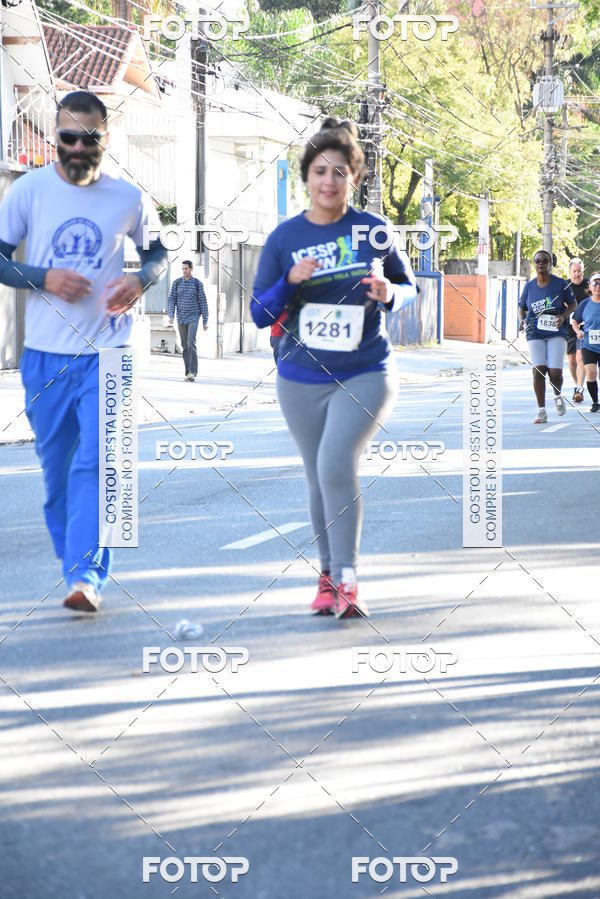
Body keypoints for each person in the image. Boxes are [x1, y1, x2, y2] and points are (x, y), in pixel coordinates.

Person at [0, 90, 167, 611]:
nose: (76, 147)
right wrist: (42, 276)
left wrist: (141, 280)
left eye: (87, 138)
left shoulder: (130, 198)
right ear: (56, 138)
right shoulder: (27, 192)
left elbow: (159, 252)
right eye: (67, 138)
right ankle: (75, 563)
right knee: (57, 478)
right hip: (44, 357)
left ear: (105, 138)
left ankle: (85, 577)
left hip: (110, 355)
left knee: (100, 466)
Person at [251, 117, 417, 619]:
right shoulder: (285, 238)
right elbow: (259, 312)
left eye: (340, 172)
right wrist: (289, 282)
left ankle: (347, 577)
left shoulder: (374, 230)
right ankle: (327, 576)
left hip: (365, 370)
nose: (329, 181)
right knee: (316, 475)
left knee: (333, 464)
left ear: (355, 178)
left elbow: (409, 289)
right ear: (306, 177)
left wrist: (391, 293)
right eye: (320, 171)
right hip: (300, 376)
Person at [518, 249, 576, 424]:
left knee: (555, 373)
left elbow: (573, 303)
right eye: (537, 261)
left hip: (556, 331)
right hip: (534, 331)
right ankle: (541, 410)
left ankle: (557, 395)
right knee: (538, 371)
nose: (541, 263)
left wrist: (563, 316)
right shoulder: (529, 286)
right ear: (534, 264)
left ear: (550, 264)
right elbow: (522, 307)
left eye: (544, 260)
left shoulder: (560, 284)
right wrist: (521, 320)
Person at [168, 259, 209, 381]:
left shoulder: (197, 284)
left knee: (191, 342)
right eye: (183, 269)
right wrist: (171, 315)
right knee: (184, 346)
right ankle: (188, 372)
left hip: (193, 317)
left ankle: (193, 371)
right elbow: (171, 300)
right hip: (181, 318)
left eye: (186, 268)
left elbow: (203, 302)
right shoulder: (176, 283)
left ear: (191, 269)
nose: (184, 271)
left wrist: (205, 321)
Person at [571, 271, 600, 412]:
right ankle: (595, 402)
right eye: (595, 283)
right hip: (589, 345)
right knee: (591, 372)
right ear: (590, 286)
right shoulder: (584, 304)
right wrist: (578, 332)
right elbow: (575, 321)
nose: (598, 286)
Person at [566, 257, 589, 402]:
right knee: (572, 360)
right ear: (569, 272)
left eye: (579, 272)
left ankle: (580, 388)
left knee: (580, 357)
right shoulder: (565, 287)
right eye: (574, 271)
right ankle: (576, 385)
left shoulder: (589, 285)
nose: (577, 274)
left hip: (584, 327)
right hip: (569, 327)